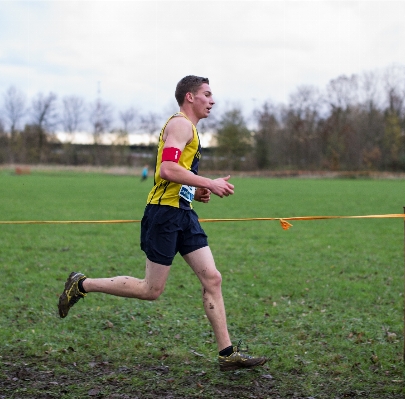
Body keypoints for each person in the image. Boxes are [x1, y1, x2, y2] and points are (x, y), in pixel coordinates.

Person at [58, 75, 268, 372]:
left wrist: (195, 190)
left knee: (213, 279)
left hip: (183, 213)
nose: (213, 100)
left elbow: (175, 173)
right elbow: (167, 169)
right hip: (164, 215)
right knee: (151, 290)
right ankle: (81, 284)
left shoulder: (190, 129)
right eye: (207, 94)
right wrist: (208, 181)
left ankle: (227, 354)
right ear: (190, 97)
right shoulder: (181, 124)